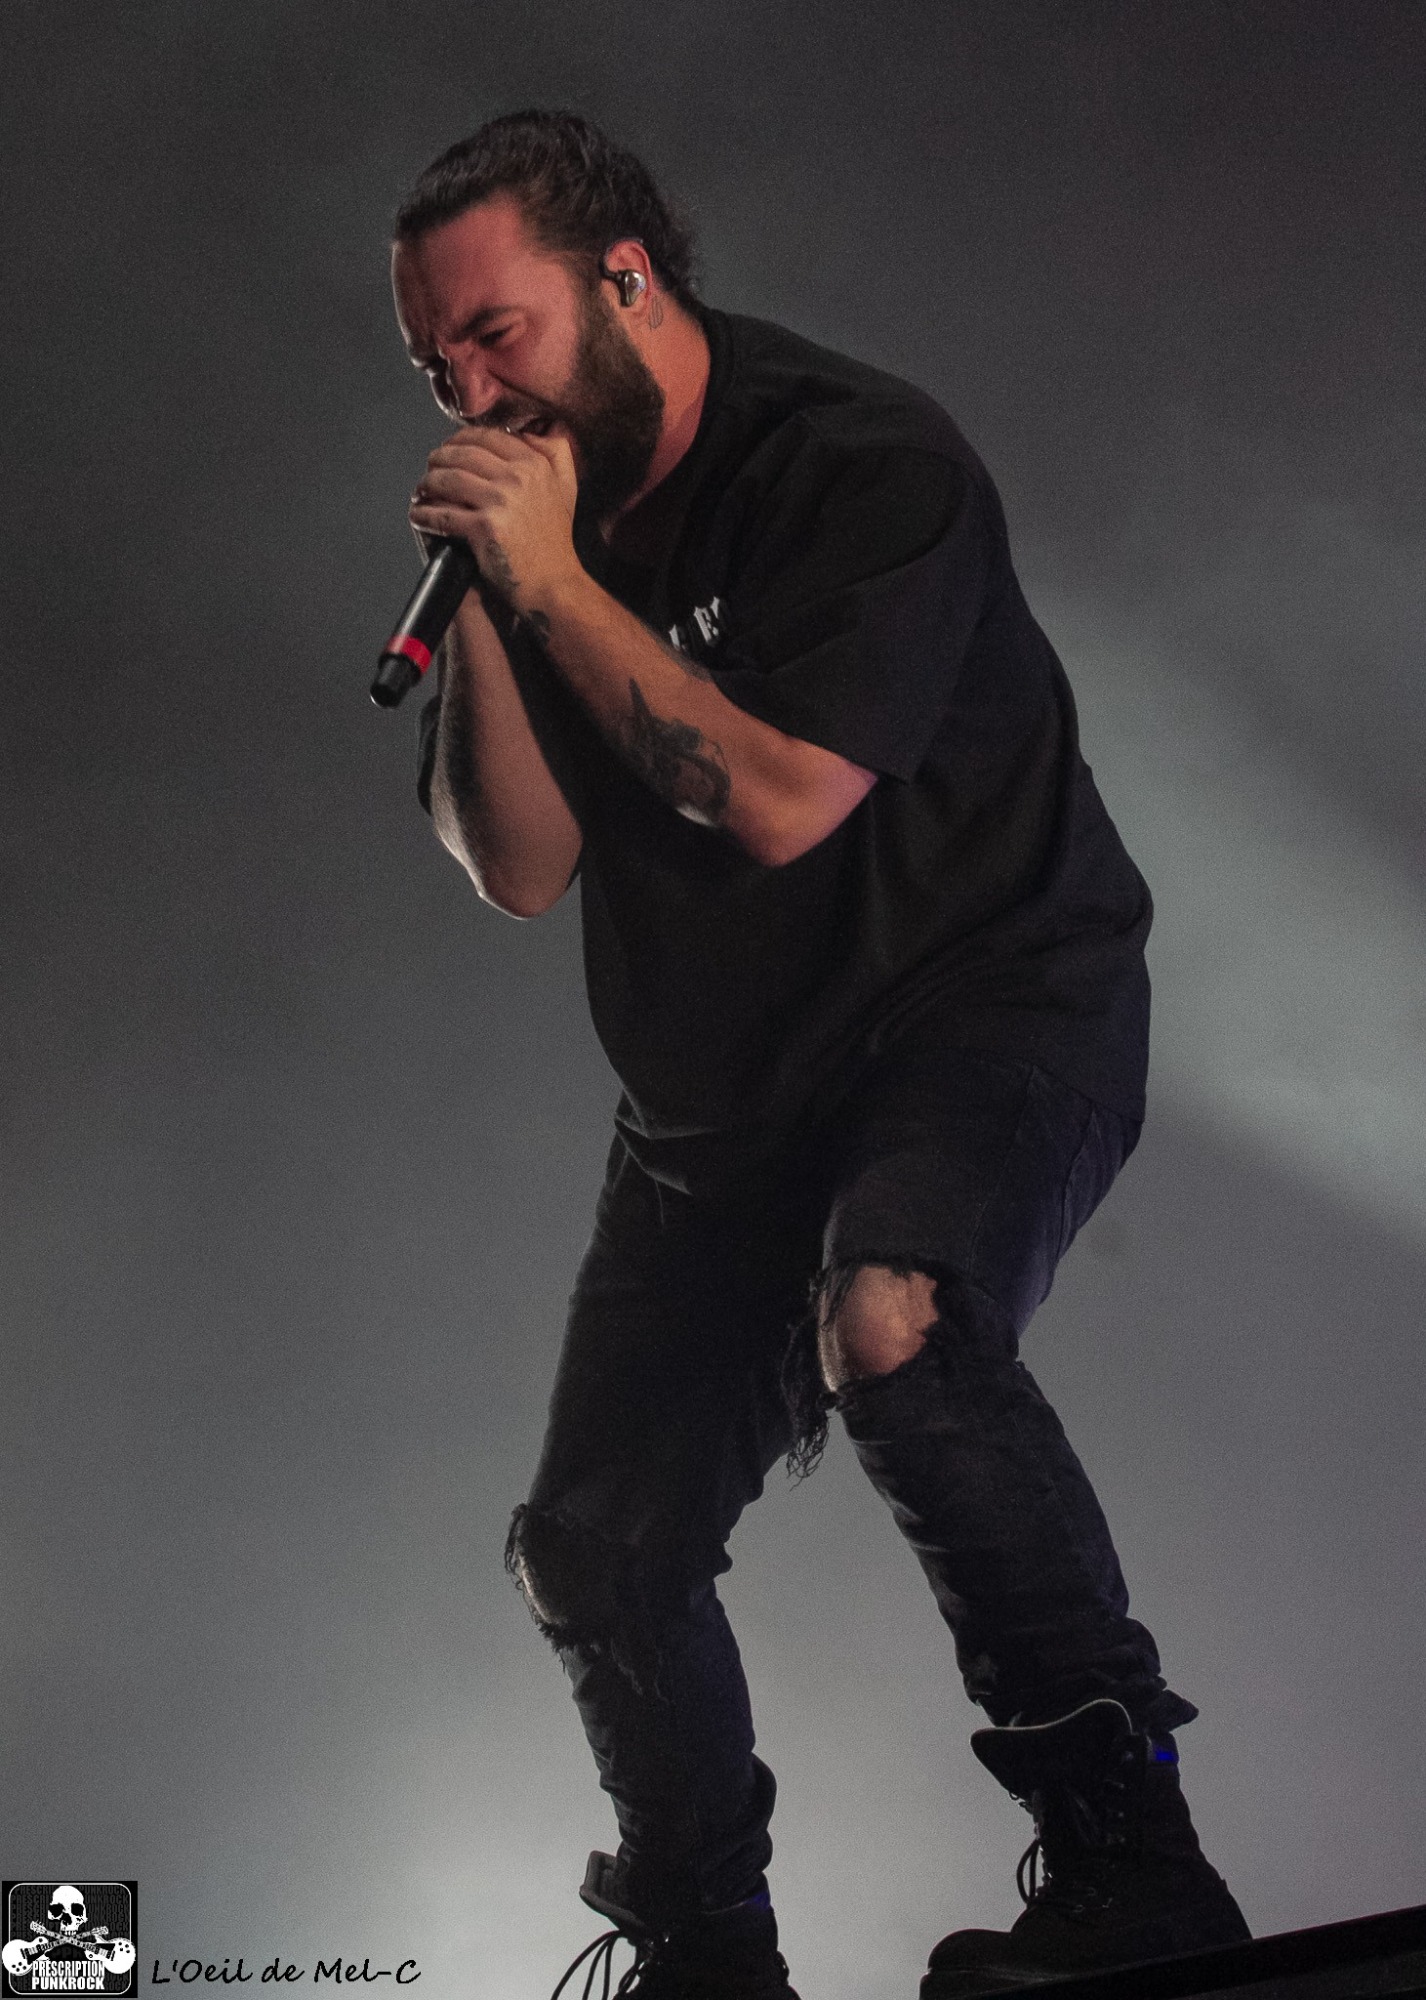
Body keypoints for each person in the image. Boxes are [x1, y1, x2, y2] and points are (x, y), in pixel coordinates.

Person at [389, 108, 1250, 2000]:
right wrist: (503, 600)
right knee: (591, 1547)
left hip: (976, 1006)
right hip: (724, 1094)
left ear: (626, 280)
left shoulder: (857, 460)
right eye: (433, 363)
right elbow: (514, 865)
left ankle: (1135, 1871)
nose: (468, 391)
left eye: (496, 333)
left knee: (895, 1325)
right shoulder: (537, 536)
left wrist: (555, 586)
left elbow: (779, 798)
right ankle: (704, 1954)